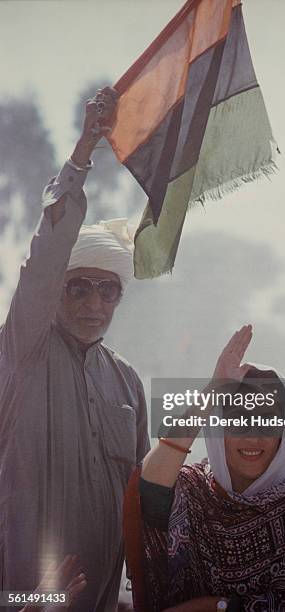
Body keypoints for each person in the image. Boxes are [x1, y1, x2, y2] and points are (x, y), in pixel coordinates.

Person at [0, 88, 149, 611]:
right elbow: (44, 259)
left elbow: (143, 500)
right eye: (77, 286)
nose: (93, 301)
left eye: (107, 289)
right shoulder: (24, 352)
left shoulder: (127, 381)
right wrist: (86, 149)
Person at [123, 326, 285, 612]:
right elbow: (147, 489)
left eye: (267, 420)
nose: (252, 436)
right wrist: (214, 389)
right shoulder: (191, 491)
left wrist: (217, 607)